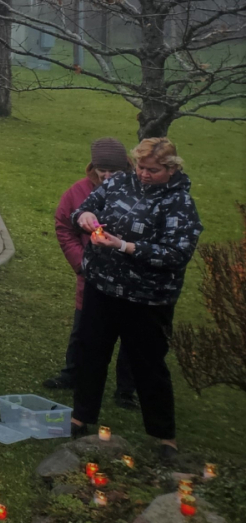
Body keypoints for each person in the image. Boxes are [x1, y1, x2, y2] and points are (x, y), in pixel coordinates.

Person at [69, 137, 203, 463]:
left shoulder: (178, 203)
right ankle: (80, 417)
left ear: (171, 169)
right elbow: (84, 208)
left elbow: (176, 253)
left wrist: (124, 246)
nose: (144, 174)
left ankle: (163, 436)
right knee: (91, 351)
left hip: (147, 298)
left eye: (153, 170)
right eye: (140, 167)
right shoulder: (118, 183)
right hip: (103, 287)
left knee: (149, 365)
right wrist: (85, 217)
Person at [44, 138, 138, 403]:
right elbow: (64, 226)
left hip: (131, 276)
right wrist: (80, 262)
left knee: (131, 333)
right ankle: (73, 373)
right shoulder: (78, 192)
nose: (107, 176)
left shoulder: (139, 190)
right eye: (102, 171)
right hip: (92, 274)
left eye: (114, 172)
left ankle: (126, 390)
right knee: (83, 327)